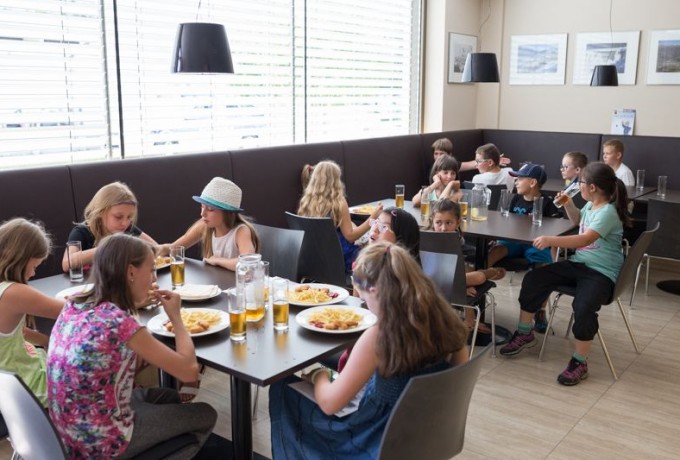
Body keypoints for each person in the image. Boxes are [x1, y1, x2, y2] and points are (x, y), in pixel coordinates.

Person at [269, 242, 469, 459]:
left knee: (283, 386)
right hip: (423, 437)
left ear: (374, 291)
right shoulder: (448, 322)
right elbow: (455, 379)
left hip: (373, 443)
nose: (366, 306)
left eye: (364, 299)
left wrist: (319, 375)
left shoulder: (381, 336)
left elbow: (329, 404)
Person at [47, 234, 217, 458]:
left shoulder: (74, 303)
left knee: (168, 397)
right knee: (205, 413)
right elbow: (189, 372)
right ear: (130, 272)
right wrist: (176, 317)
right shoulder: (119, 322)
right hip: (103, 443)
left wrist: (135, 303)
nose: (154, 279)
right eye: (152, 270)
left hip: (65, 435)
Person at [499, 162, 632, 386]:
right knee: (534, 278)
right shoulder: (592, 205)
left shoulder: (608, 212)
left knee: (583, 306)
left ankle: (580, 361)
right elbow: (579, 222)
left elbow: (585, 239)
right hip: (580, 264)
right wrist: (569, 204)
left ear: (592, 187)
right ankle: (525, 332)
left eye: (580, 183)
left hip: (601, 272)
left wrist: (550, 240)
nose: (578, 187)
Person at [0, 218, 64, 406]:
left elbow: (12, 333)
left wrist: (46, 341)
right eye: (35, 266)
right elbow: (71, 311)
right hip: (23, 388)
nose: (33, 274)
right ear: (20, 259)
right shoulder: (13, 292)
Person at [426, 199, 506, 333]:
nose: (443, 228)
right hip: (433, 281)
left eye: (448, 223)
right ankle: (491, 272)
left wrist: (461, 283)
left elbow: (457, 266)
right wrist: (460, 287)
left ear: (458, 222)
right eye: (438, 223)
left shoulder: (457, 239)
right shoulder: (427, 239)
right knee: (479, 277)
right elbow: (432, 271)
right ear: (432, 221)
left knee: (470, 271)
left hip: (452, 277)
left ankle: (470, 320)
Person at [297, 160, 383, 272]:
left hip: (313, 260)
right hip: (340, 260)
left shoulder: (306, 202)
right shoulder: (339, 203)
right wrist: (373, 218)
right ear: (335, 181)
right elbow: (350, 237)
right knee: (378, 250)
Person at [163, 177, 259, 271]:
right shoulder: (204, 226)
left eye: (210, 209)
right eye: (202, 207)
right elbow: (174, 248)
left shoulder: (241, 231)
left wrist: (217, 260)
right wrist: (160, 249)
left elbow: (248, 263)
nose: (202, 214)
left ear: (228, 212)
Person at [63, 181, 157, 273]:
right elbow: (67, 264)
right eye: (118, 217)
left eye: (129, 217)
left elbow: (155, 249)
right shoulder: (82, 231)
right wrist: (107, 248)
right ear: (100, 212)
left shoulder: (127, 228)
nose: (125, 223)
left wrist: (164, 248)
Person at [487, 163, 561, 268]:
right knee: (497, 250)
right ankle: (483, 271)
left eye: (520, 179)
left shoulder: (547, 202)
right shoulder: (516, 199)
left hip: (535, 243)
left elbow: (554, 231)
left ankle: (538, 276)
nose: (516, 182)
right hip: (514, 241)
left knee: (542, 257)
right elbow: (508, 221)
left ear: (532, 183)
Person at [431, 137, 511, 172]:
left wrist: (494, 160)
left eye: (441, 154)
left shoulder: (453, 165)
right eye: (436, 154)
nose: (438, 157)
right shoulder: (432, 168)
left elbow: (471, 164)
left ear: (449, 155)